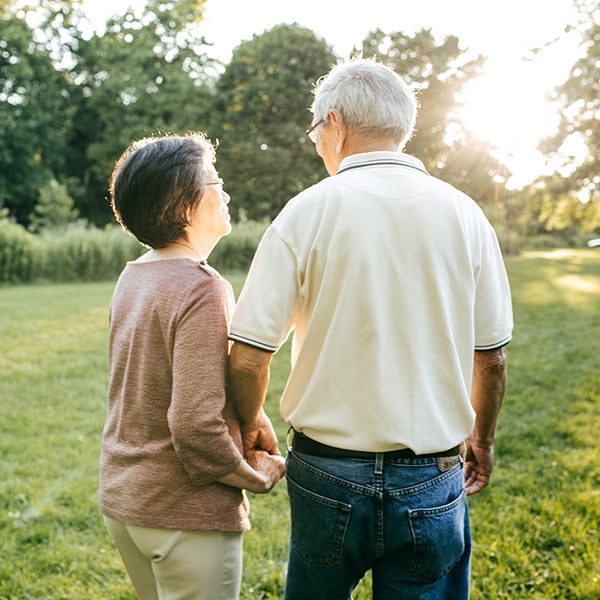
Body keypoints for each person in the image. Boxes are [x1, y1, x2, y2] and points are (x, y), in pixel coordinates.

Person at [227, 58, 512, 600]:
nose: (317, 144)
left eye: (316, 132)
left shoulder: (304, 213)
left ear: (334, 123)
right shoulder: (466, 214)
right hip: (431, 471)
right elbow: (491, 358)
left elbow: (247, 355)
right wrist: (484, 439)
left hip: (327, 470)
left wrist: (248, 421)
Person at [99, 132, 286, 600]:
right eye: (214, 180)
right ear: (183, 206)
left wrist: (252, 415)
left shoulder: (134, 275)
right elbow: (193, 425)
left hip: (125, 503)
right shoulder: (202, 286)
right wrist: (251, 477)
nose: (225, 193)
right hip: (183, 514)